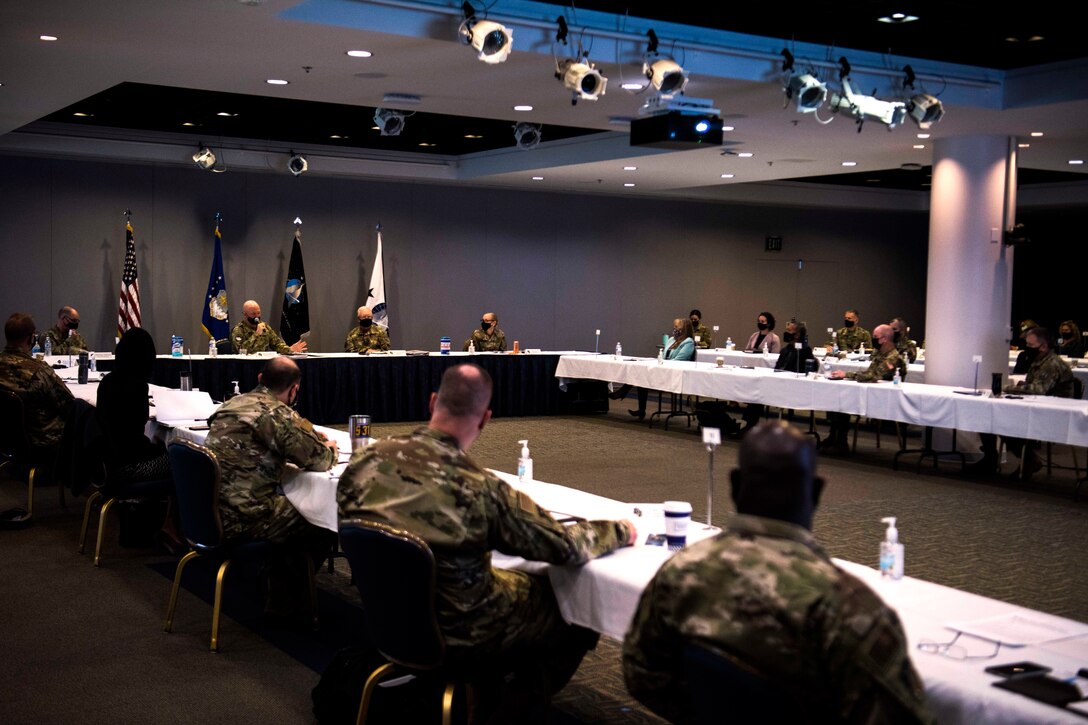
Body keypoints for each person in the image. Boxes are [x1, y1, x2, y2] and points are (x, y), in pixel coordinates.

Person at [338, 364, 635, 712]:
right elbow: (562, 546)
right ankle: (511, 709)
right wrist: (619, 529)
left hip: (389, 620)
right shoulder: (479, 487)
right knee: (571, 602)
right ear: (485, 419)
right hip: (463, 631)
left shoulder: (365, 460)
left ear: (433, 402)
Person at [623, 421, 930, 725]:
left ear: (734, 485)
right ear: (816, 491)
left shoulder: (681, 571)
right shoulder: (849, 608)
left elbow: (641, 675)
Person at [205, 357, 337, 613]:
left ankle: (274, 581)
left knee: (300, 503)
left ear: (259, 378)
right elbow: (319, 459)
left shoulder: (233, 403)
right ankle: (287, 603)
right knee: (321, 514)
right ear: (294, 389)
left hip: (210, 513)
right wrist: (328, 447)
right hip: (245, 519)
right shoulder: (276, 413)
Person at [970, 327, 1075, 479]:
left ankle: (1028, 460)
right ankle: (991, 457)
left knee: (1004, 421)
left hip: (1054, 413)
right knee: (990, 414)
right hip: (1038, 406)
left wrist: (1008, 388)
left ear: (1043, 346)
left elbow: (1039, 389)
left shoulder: (1052, 364)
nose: (1027, 349)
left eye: (1031, 346)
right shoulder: (1039, 360)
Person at [821, 324, 906, 454]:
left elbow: (873, 376)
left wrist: (848, 375)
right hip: (872, 392)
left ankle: (841, 443)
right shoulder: (880, 354)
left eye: (875, 337)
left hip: (884, 398)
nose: (873, 339)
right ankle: (834, 437)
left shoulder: (893, 358)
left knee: (844, 402)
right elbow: (868, 373)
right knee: (838, 397)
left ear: (884, 339)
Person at [0, 313, 74, 452]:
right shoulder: (38, 371)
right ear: (30, 339)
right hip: (40, 442)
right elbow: (69, 405)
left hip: (5, 440)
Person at [739, 319, 815, 432]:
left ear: (797, 334)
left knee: (761, 390)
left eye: (789, 331)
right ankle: (749, 425)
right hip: (779, 382)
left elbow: (808, 370)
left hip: (793, 386)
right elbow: (778, 367)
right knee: (757, 390)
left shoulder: (805, 351)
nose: (786, 333)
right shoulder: (786, 349)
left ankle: (750, 426)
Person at [614, 318, 696, 420]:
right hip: (664, 369)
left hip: (675, 374)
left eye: (677, 327)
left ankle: (623, 392)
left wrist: (662, 363)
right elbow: (664, 356)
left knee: (642, 375)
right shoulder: (671, 340)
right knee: (641, 373)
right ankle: (640, 409)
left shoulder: (688, 342)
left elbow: (679, 360)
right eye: (674, 326)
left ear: (684, 328)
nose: (674, 329)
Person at [231, 300, 306, 354]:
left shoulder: (264, 327)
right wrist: (256, 334)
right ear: (245, 315)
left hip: (263, 364)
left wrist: (290, 349)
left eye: (258, 313)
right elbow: (242, 350)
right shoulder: (238, 330)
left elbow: (277, 344)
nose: (257, 317)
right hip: (245, 366)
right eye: (253, 314)